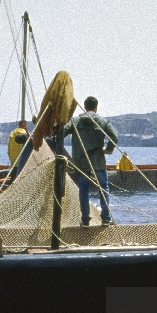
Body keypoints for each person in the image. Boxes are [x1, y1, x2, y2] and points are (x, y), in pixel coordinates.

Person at [62, 96, 119, 226]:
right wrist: (107, 150)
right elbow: (114, 136)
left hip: (81, 162)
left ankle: (85, 219)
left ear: (85, 106)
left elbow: (62, 131)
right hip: (98, 161)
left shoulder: (75, 121)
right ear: (96, 107)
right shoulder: (103, 122)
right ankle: (106, 218)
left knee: (83, 190)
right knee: (103, 188)